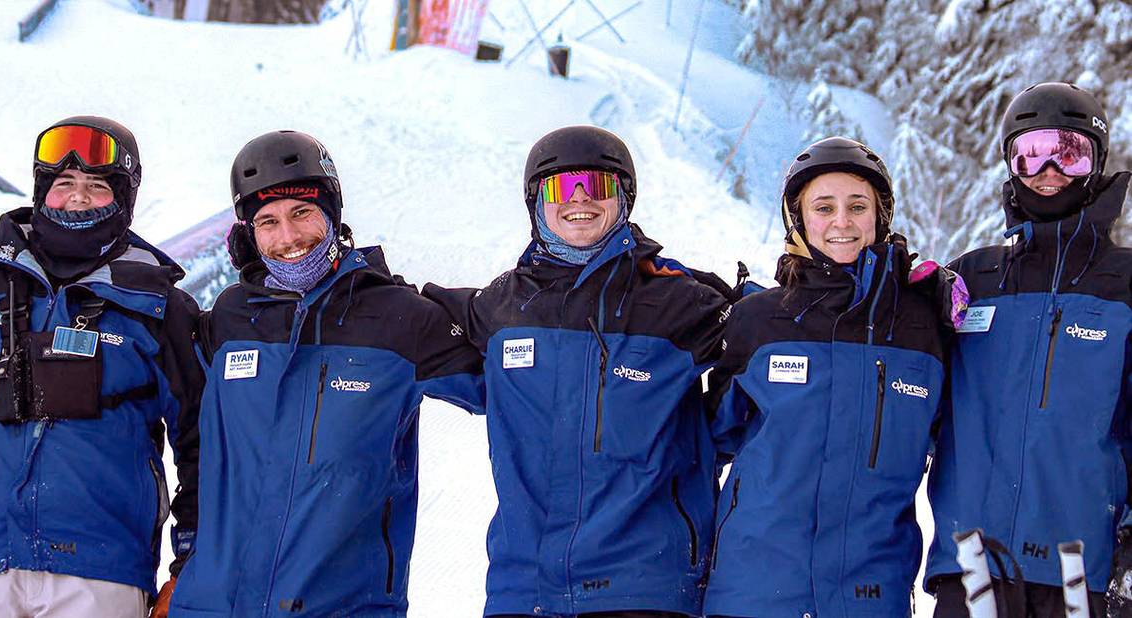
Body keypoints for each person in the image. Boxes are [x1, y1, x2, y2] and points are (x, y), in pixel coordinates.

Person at [166, 130, 483, 618]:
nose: (288, 238)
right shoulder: (231, 317)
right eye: (267, 222)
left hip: (340, 606)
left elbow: (515, 378)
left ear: (331, 213)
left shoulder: (399, 319)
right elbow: (179, 427)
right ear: (248, 233)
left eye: (301, 213)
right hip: (212, 605)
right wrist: (184, 566)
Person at [424, 126, 731, 617]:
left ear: (623, 198)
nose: (580, 199)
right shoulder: (503, 307)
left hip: (646, 589)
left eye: (597, 185)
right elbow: (404, 332)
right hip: (525, 592)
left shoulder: (677, 300)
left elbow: (779, 331)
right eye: (562, 188)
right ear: (537, 203)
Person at [0, 116, 203, 618]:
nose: (77, 197)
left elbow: (203, 444)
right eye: (63, 184)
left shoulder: (161, 307)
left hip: (100, 573)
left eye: (96, 187)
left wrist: (190, 563)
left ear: (124, 199)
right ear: (41, 191)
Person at [703, 137, 958, 618]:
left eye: (857, 206)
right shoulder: (757, 321)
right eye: (824, 207)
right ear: (798, 220)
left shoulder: (922, 329)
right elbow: (703, 442)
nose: (842, 222)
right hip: (753, 594)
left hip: (870, 595)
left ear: (880, 217)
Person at [926, 82, 1130, 617]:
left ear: (1096, 164)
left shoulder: (1125, 283)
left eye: (1070, 152)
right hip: (970, 567)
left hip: (1080, 570)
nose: (1049, 170)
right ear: (1012, 165)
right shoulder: (974, 278)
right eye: (1030, 153)